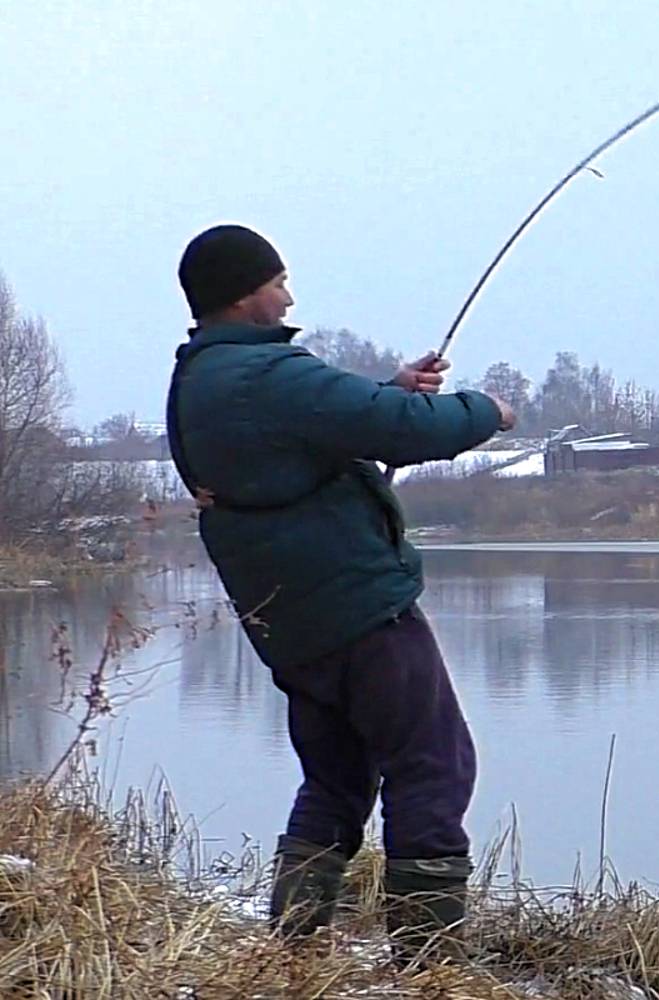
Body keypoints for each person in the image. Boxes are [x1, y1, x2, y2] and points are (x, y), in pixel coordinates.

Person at [165, 224, 517, 963]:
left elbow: (308, 441)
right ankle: (427, 960)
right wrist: (485, 411)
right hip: (355, 606)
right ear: (242, 293)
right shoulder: (269, 375)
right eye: (277, 282)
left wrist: (386, 395)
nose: (288, 296)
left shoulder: (198, 382)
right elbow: (405, 432)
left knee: (336, 777)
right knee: (433, 761)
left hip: (290, 622)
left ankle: (292, 946)